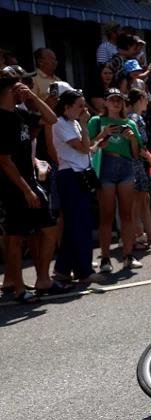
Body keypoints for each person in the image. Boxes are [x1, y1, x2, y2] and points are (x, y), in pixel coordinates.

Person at [0, 73, 59, 302]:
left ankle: (43, 279)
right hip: (12, 186)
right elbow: (4, 161)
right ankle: (19, 290)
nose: (25, 88)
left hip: (30, 182)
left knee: (49, 227)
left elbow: (51, 118)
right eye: (20, 86)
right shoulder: (1, 119)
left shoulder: (21, 113)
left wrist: (33, 97)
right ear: (11, 89)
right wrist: (26, 190)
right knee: (15, 238)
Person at [88, 88, 143, 271]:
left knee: (127, 215)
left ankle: (128, 255)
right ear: (105, 102)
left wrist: (132, 139)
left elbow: (136, 154)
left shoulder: (130, 123)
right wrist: (102, 135)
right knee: (107, 216)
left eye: (119, 100)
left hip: (126, 167)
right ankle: (105, 258)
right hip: (105, 167)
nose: (116, 103)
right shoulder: (96, 121)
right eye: (112, 100)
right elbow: (88, 147)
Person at [51, 89, 99, 285]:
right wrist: (86, 125)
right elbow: (82, 147)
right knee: (78, 224)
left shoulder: (74, 123)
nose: (84, 109)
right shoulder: (60, 124)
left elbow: (87, 149)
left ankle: (64, 268)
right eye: (79, 106)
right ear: (67, 107)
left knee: (77, 224)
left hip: (79, 174)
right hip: (70, 176)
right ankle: (83, 270)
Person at [125, 89, 151, 250]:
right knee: (137, 200)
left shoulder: (131, 117)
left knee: (144, 199)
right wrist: (149, 156)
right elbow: (139, 141)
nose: (148, 102)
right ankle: (137, 236)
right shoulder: (136, 118)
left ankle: (149, 235)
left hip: (135, 162)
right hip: (137, 162)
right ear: (140, 99)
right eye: (146, 98)